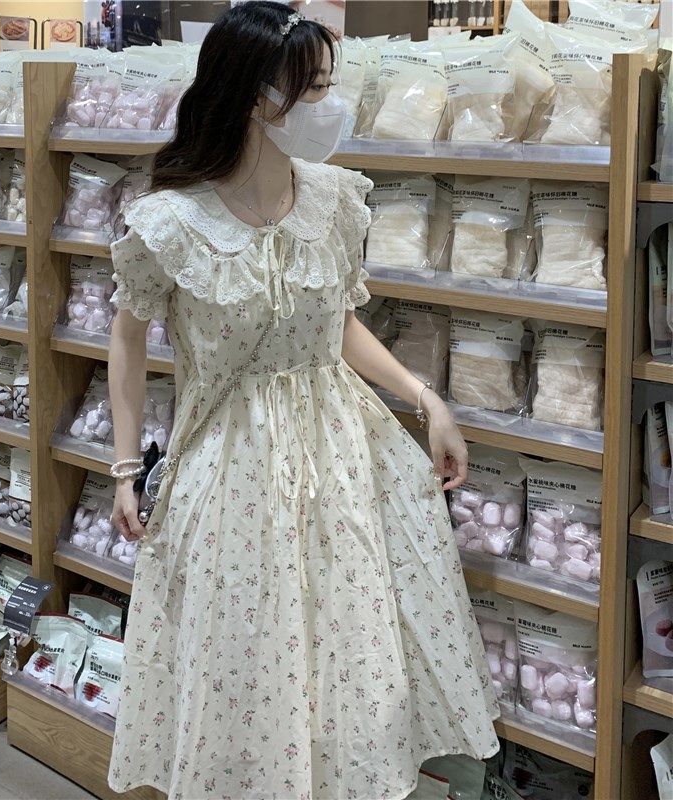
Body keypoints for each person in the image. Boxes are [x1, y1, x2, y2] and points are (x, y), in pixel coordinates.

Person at [107, 3, 499, 797]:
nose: (331, 105)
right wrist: (122, 467)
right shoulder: (171, 222)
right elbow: (127, 337)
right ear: (258, 99)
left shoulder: (333, 200)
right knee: (243, 657)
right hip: (231, 464)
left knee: (349, 648)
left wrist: (426, 399)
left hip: (341, 454)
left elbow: (337, 325)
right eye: (315, 90)